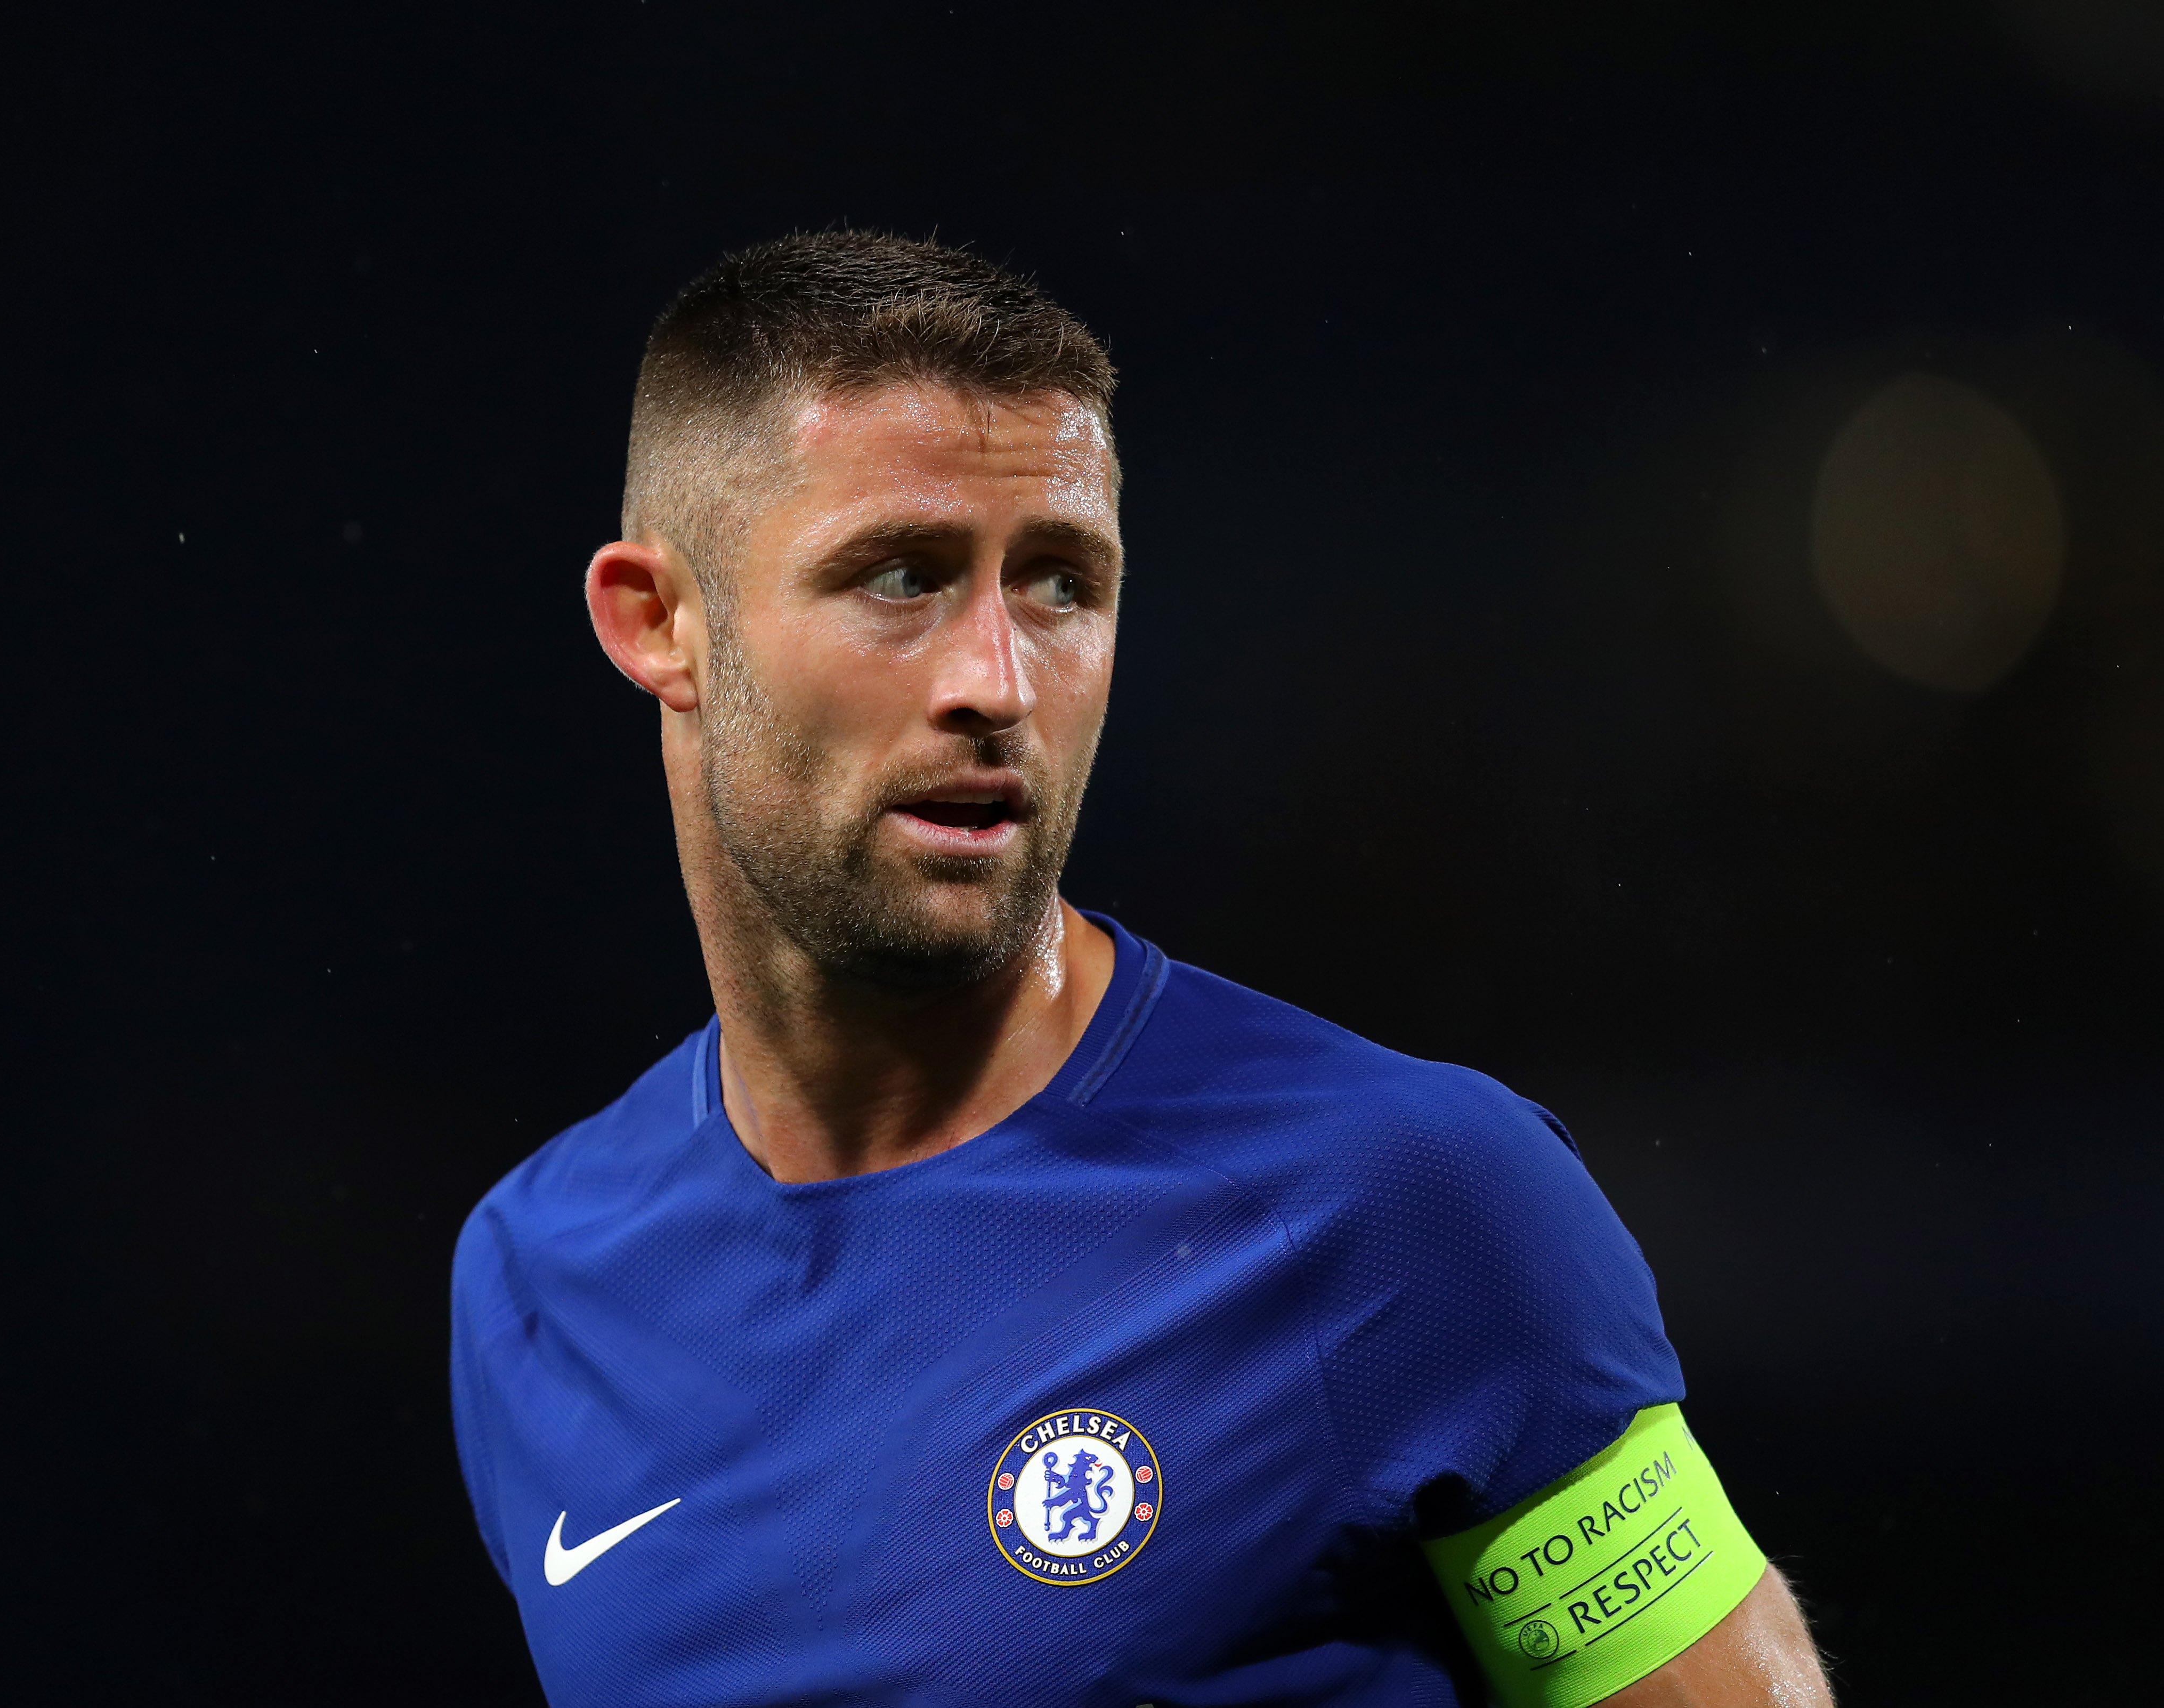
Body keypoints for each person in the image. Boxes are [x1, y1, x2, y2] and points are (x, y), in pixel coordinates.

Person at [448, 230, 1832, 1708]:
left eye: (1060, 584)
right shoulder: (534, 1278)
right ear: (660, 624)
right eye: (902, 576)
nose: (997, 682)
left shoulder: (1411, 1205)